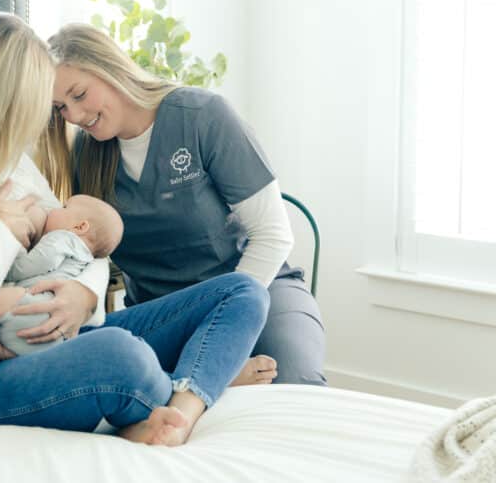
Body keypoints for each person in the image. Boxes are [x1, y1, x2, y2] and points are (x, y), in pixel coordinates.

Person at [0, 11, 270, 446]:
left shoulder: (5, 157)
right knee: (120, 354)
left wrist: (85, 294)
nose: (49, 123)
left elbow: (78, 247)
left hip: (68, 334)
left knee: (242, 293)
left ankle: (184, 407)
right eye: (40, 108)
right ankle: (197, 374)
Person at [39, 23, 326, 387]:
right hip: (166, 314)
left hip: (257, 289)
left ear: (110, 67)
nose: (75, 116)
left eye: (79, 94)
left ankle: (205, 373)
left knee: (296, 385)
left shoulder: (202, 116)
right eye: (61, 107)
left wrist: (227, 329)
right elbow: (87, 252)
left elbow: (273, 234)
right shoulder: (87, 153)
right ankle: (206, 376)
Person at [0, 194, 124, 388]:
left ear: (80, 227)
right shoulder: (85, 258)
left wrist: (6, 265)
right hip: (56, 335)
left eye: (63, 208)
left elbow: (33, 265)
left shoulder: (64, 239)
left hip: (38, 309)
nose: (52, 210)